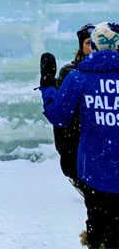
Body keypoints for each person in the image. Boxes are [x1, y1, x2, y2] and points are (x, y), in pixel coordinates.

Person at [41, 21, 119, 249]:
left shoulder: (78, 77)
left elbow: (58, 116)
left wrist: (47, 86)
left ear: (94, 46)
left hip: (94, 168)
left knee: (98, 226)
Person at [52, 22, 95, 192]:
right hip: (74, 134)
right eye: (87, 43)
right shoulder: (70, 72)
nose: (91, 47)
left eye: (94, 42)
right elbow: (59, 110)